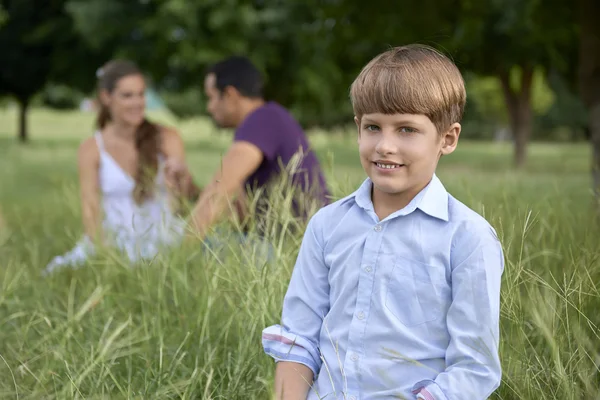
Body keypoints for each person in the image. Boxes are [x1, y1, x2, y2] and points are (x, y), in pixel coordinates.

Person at [261, 44, 504, 399]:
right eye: (373, 127)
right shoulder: (327, 225)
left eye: (406, 130)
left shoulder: (467, 238)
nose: (384, 146)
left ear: (447, 138)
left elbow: (473, 368)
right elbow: (300, 339)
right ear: (359, 128)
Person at [44, 60, 197, 274]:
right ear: (106, 98)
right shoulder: (91, 149)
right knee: (59, 272)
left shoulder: (167, 138)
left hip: (162, 239)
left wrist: (182, 176)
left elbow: (183, 205)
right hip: (113, 241)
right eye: (127, 95)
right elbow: (90, 210)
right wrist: (106, 256)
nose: (137, 102)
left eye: (141, 94)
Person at [166, 56, 330, 241]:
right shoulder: (268, 118)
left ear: (230, 95)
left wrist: (177, 257)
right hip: (293, 242)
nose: (209, 107)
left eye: (211, 97)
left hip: (301, 245)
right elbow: (241, 217)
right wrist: (192, 192)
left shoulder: (261, 119)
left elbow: (219, 191)